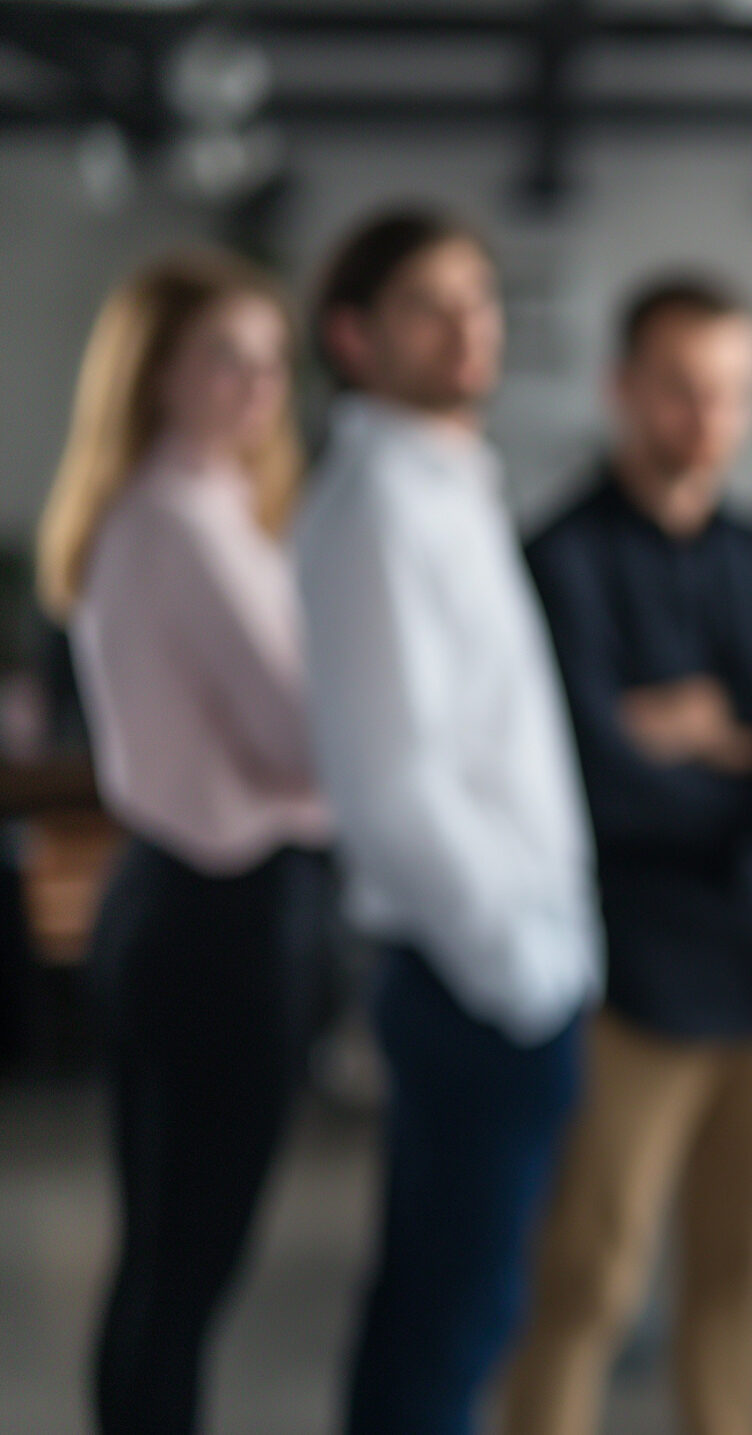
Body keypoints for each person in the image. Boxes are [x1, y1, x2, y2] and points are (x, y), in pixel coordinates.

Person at [498, 274, 752, 1435]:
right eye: (680, 389)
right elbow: (597, 781)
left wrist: (726, 732)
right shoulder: (560, 559)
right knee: (589, 1277)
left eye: (731, 392)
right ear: (621, 389)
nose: (708, 418)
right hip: (645, 978)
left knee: (741, 1276)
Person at [295, 208, 601, 1435]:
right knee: (451, 1315)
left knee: (450, 1300)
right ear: (353, 336)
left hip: (510, 960)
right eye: (431, 303)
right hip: (475, 974)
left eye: (480, 297)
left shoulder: (446, 479)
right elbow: (391, 785)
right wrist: (519, 966)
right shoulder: (376, 507)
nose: (470, 325)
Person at [38, 250, 334, 1435]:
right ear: (154, 374)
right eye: (227, 356)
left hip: (175, 902)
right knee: (187, 1265)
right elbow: (309, 736)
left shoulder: (179, 507)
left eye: (272, 360)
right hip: (224, 915)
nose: (259, 386)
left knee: (163, 1258)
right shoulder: (186, 522)